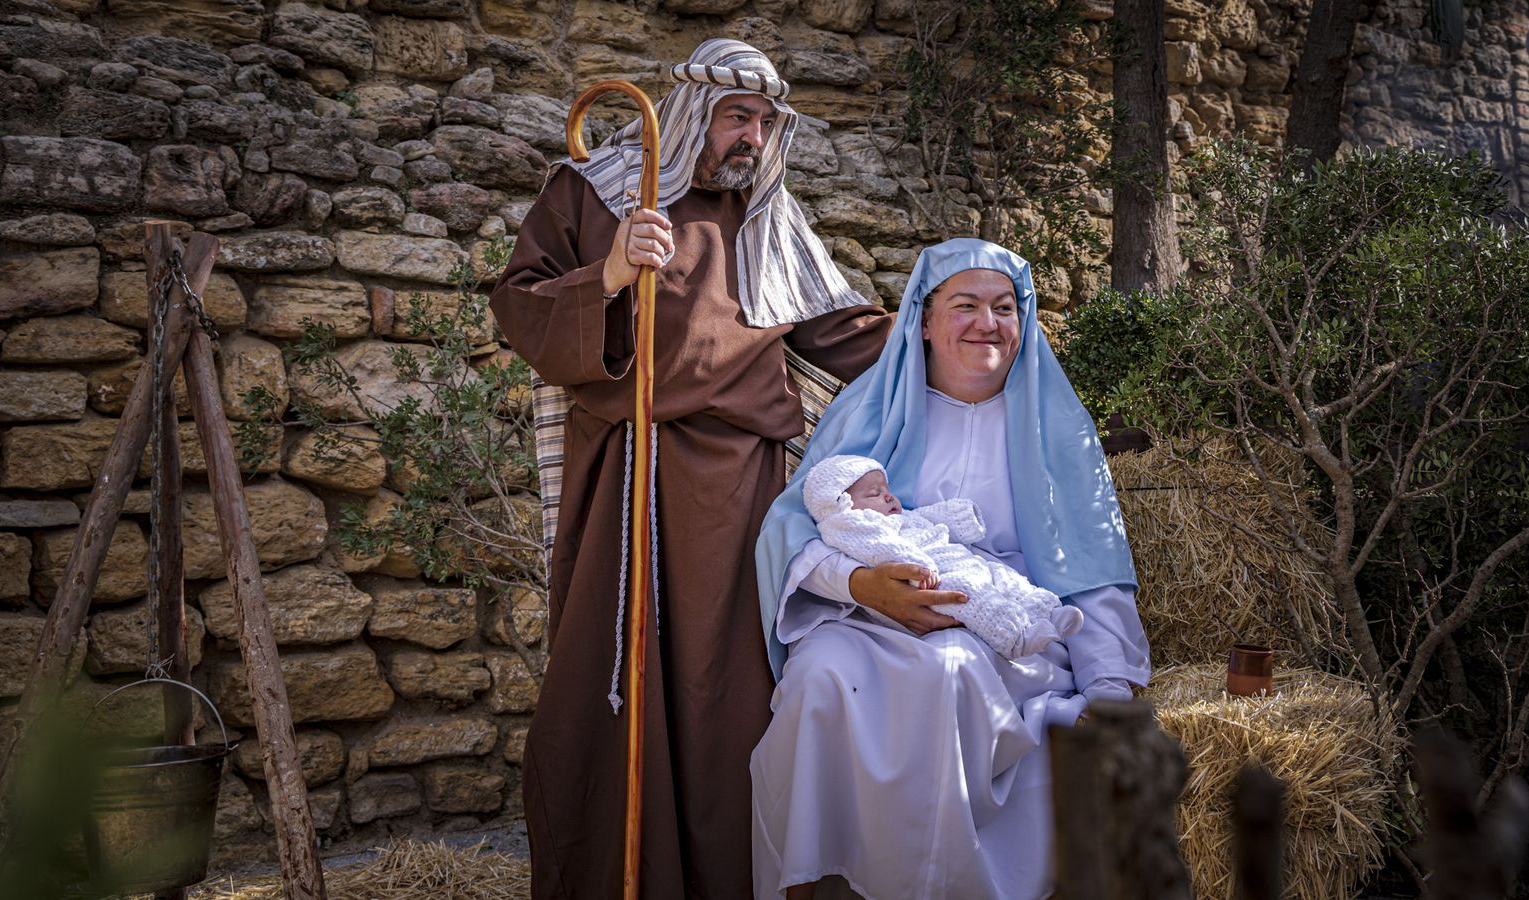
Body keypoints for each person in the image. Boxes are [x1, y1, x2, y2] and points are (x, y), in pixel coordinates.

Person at [490, 38, 893, 899]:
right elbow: (519, 305)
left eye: (765, 121)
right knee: (604, 689)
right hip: (629, 476)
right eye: (737, 116)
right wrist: (608, 271)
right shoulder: (597, 190)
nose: (753, 137)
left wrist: (952, 335)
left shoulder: (770, 216)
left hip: (745, 491)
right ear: (689, 114)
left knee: (733, 697)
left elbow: (841, 331)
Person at [752, 238, 1151, 900]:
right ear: (923, 321)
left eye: (1004, 307)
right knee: (819, 678)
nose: (986, 323)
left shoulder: (1060, 431)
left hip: (1002, 627)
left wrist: (1109, 688)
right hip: (868, 617)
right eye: (965, 305)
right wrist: (863, 585)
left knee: (949, 673)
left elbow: (1091, 563)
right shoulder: (869, 410)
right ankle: (814, 886)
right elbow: (796, 528)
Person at [801, 454, 1084, 660]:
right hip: (931, 580)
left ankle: (1046, 611)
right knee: (970, 597)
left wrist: (963, 517)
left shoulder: (901, 517)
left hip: (962, 562)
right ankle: (1015, 638)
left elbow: (931, 517)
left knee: (1005, 576)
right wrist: (920, 568)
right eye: (875, 493)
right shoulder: (851, 525)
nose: (888, 497)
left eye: (887, 490)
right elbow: (881, 549)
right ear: (842, 504)